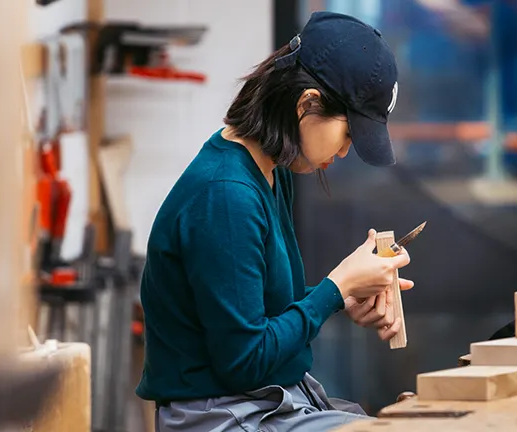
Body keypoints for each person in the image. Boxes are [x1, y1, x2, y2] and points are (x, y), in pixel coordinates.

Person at [136, 12, 410, 431]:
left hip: (265, 399)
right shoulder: (227, 196)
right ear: (308, 103)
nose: (344, 153)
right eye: (348, 134)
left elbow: (248, 310)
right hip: (219, 413)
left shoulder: (269, 169)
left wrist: (344, 294)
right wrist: (335, 289)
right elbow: (245, 361)